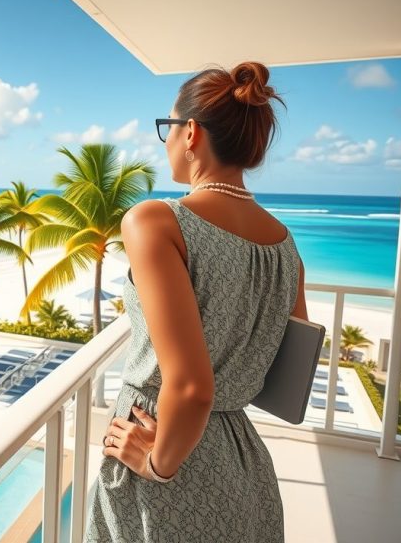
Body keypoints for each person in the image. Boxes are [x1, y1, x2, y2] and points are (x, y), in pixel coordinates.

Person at [84, 61, 307, 542]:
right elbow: (288, 376)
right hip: (241, 460)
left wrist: (157, 463)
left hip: (160, 443)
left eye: (167, 127)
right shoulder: (286, 246)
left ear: (190, 133)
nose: (165, 140)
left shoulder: (156, 221)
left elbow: (191, 387)